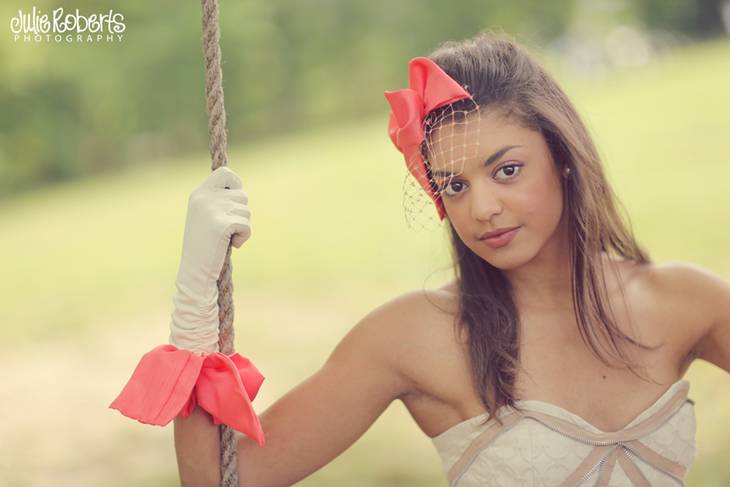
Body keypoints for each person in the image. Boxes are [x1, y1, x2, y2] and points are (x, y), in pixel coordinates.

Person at [169, 30, 729, 486]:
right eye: (454, 186)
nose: (482, 208)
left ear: (562, 157)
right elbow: (224, 481)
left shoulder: (681, 301)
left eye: (507, 170)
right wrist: (195, 296)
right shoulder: (415, 335)